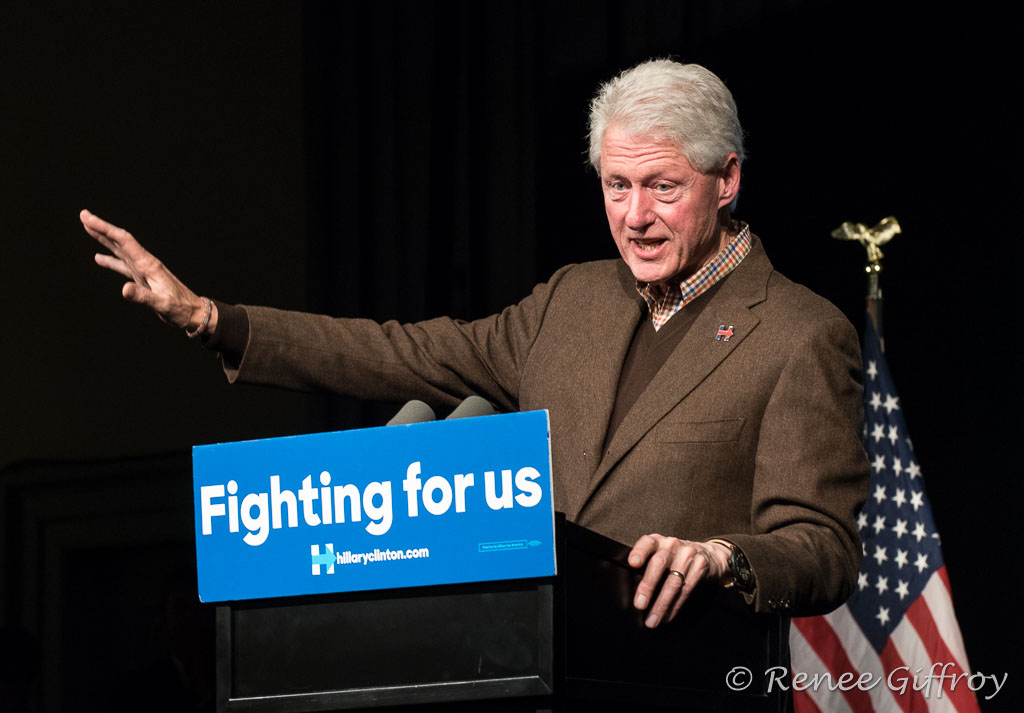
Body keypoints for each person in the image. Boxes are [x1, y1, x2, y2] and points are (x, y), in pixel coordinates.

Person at [82, 59, 869, 629]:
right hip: (527, 665)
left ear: (726, 179)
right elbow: (403, 354)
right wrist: (211, 318)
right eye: (615, 186)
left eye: (663, 187)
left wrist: (723, 557)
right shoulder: (573, 300)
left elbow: (822, 545)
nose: (634, 216)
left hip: (671, 675)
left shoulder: (801, 334)